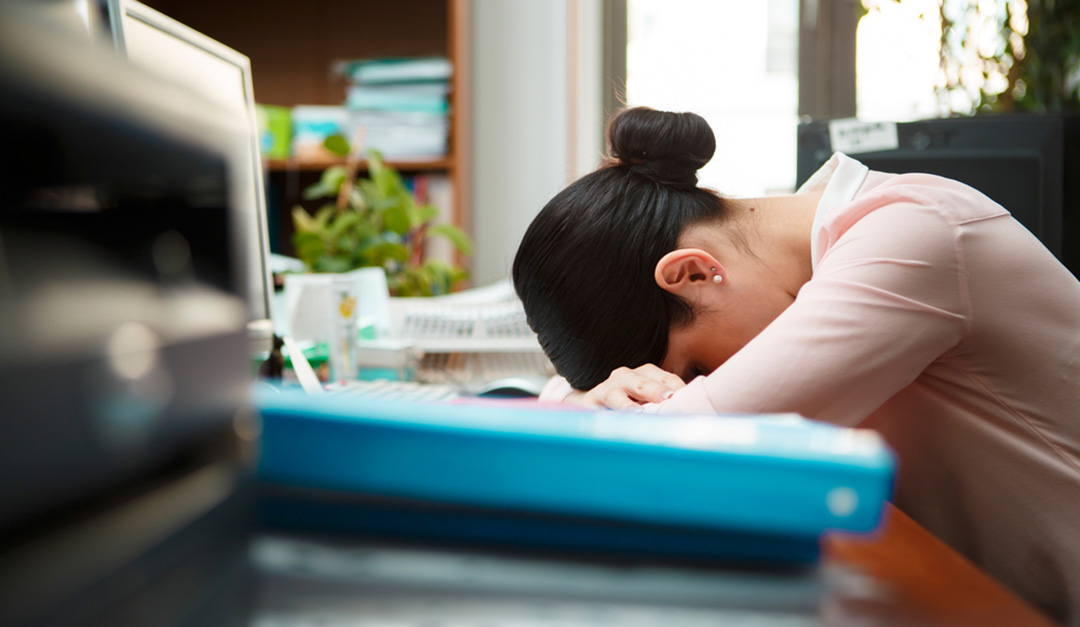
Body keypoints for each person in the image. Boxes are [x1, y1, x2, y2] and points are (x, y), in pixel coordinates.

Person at [512, 106, 1080, 621]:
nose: (687, 390)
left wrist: (571, 405)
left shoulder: (909, 239)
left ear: (692, 273)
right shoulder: (815, 243)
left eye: (689, 372)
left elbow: (678, 449)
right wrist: (583, 398)